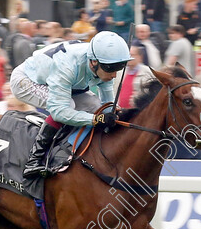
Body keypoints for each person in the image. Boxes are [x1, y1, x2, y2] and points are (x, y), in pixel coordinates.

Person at [10, 31, 130, 177]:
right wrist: (95, 120)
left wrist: (113, 113)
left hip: (65, 83)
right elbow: (59, 111)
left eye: (119, 67)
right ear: (94, 62)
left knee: (96, 106)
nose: (114, 75)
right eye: (111, 69)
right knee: (68, 105)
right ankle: (33, 160)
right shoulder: (68, 65)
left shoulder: (103, 61)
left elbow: (107, 105)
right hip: (27, 80)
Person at [114, 45, 155, 109]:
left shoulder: (148, 72)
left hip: (138, 112)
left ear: (140, 57)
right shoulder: (119, 72)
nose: (129, 58)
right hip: (120, 111)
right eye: (128, 55)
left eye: (132, 55)